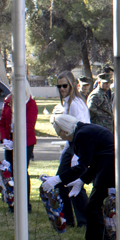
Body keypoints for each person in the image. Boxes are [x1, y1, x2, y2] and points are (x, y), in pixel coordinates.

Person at [45, 114, 116, 240]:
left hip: (109, 167)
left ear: (64, 131)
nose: (59, 136)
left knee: (94, 207)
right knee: (91, 208)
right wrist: (81, 180)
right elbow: (90, 162)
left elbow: (83, 166)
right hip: (102, 166)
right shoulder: (79, 134)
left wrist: (57, 179)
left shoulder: (82, 134)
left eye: (58, 132)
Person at [54, 70, 90, 226]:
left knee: (72, 182)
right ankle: (71, 219)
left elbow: (80, 129)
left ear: (72, 85)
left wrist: (75, 156)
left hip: (78, 146)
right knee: (63, 182)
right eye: (59, 86)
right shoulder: (68, 102)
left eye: (65, 86)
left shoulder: (75, 104)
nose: (62, 89)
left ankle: (84, 219)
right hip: (71, 147)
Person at [0, 78, 37, 212]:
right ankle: (12, 202)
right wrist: (4, 139)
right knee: (9, 172)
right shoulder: (8, 101)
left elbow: (29, 126)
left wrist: (17, 142)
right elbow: (3, 122)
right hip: (10, 140)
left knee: (21, 172)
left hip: (25, 141)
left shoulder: (31, 103)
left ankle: (25, 205)